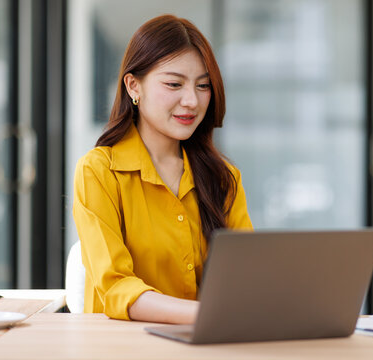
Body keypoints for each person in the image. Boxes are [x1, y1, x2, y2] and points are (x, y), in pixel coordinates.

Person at [72, 14, 252, 325]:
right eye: (174, 84)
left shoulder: (223, 178)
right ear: (133, 86)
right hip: (120, 348)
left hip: (208, 345)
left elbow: (249, 275)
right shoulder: (99, 171)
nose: (191, 100)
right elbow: (116, 287)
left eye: (203, 86)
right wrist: (207, 315)